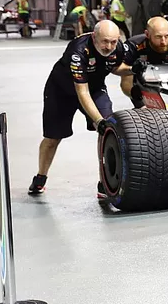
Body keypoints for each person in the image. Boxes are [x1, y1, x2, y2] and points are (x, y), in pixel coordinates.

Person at [28, 20, 132, 198]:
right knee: (53, 138)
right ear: (94, 36)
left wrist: (132, 69)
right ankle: (41, 177)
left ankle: (104, 182)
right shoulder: (77, 50)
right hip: (62, 91)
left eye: (113, 42)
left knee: (107, 131)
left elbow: (114, 67)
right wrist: (97, 120)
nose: (108, 46)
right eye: (104, 41)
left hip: (95, 87)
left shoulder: (118, 47)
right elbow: (82, 92)